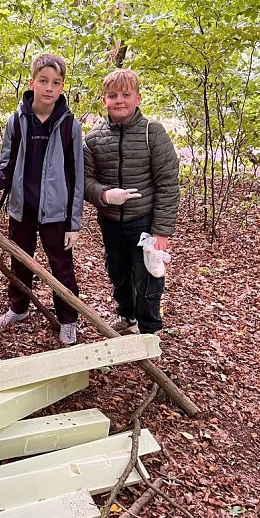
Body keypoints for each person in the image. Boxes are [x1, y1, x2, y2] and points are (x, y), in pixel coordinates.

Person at [0, 53, 84, 345]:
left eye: (56, 83)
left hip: (57, 213)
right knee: (20, 261)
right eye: (44, 81)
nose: (49, 88)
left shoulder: (69, 125)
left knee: (61, 266)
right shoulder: (18, 120)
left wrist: (74, 223)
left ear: (62, 87)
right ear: (32, 82)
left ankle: (68, 319)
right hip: (22, 208)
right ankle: (18, 307)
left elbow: (76, 176)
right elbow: (7, 165)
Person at [83, 68, 180, 334]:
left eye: (126, 94)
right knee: (118, 272)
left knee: (148, 274)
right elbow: (85, 180)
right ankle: (127, 315)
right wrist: (103, 194)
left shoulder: (154, 133)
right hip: (111, 221)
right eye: (113, 95)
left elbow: (168, 183)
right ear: (105, 100)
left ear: (138, 98)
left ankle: (150, 329)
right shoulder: (93, 139)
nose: (120, 100)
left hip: (144, 220)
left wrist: (161, 230)